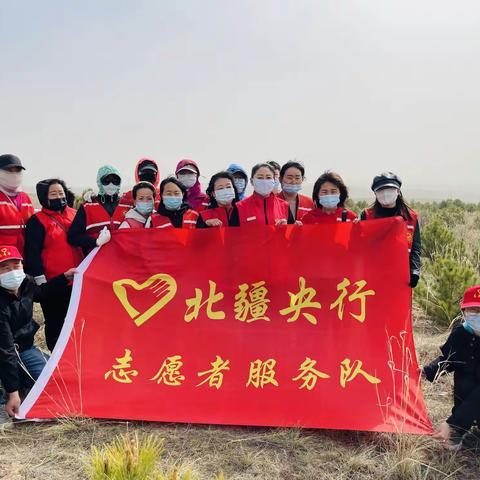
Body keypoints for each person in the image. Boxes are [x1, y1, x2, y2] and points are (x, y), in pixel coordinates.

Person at [0, 246, 76, 417]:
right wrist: (13, 393)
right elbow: (5, 350)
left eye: (16, 265)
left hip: (25, 349)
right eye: (4, 268)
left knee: (55, 381)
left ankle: (22, 381)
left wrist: (64, 278)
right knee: (12, 388)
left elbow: (42, 293)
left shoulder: (25, 282)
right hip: (4, 352)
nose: (11, 272)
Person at [24, 179, 84, 351]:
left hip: (78, 282)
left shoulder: (75, 214)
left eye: (61, 193)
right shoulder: (38, 220)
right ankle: (57, 362)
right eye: (54, 194)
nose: (59, 197)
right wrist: (41, 283)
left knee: (78, 323)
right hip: (55, 283)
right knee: (56, 324)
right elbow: (33, 253)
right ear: (44, 197)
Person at [422, 285, 480, 450]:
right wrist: (428, 370)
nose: (477, 315)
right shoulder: (460, 333)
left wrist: (452, 422)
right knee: (464, 383)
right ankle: (460, 427)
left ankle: (457, 424)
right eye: (472, 310)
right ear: (464, 311)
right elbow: (449, 359)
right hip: (465, 395)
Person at [360, 172, 421, 288]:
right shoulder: (367, 215)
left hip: (401, 275)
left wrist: (415, 271)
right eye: (381, 190)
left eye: (390, 189)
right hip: (372, 274)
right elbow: (358, 244)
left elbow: (415, 248)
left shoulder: (411, 217)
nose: (385, 194)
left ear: (398, 191)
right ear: (375, 193)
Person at [68, 166, 129, 254]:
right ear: (99, 182)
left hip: (122, 260)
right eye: (106, 181)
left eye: (115, 181)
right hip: (96, 262)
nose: (111, 184)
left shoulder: (127, 205)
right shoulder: (88, 206)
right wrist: (95, 241)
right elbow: (73, 237)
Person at [0, 154, 34, 255]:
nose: (14, 174)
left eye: (17, 170)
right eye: (9, 170)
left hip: (23, 256)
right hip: (4, 258)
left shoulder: (25, 197)